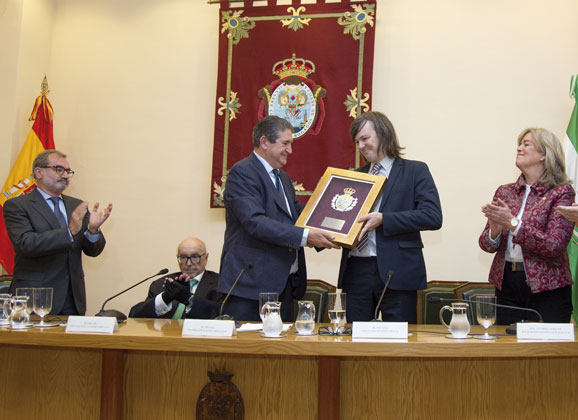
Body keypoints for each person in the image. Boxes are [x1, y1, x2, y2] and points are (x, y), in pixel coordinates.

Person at [219, 115, 338, 321]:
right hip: (251, 287)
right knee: (250, 350)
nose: (290, 150)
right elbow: (255, 222)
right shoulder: (242, 172)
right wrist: (307, 236)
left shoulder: (282, 177)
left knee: (283, 349)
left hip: (285, 285)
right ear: (264, 142)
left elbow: (300, 219)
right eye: (285, 143)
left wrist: (339, 231)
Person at [337, 111, 442, 323]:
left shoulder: (415, 171)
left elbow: (432, 216)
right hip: (356, 272)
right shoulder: (354, 177)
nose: (361, 146)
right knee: (356, 345)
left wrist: (385, 219)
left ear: (384, 134)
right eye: (357, 141)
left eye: (365, 138)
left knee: (401, 345)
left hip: (398, 272)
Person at [479, 128, 575, 324]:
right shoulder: (505, 192)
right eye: (519, 144)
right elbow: (486, 245)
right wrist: (495, 231)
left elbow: (554, 245)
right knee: (507, 351)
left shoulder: (561, 193)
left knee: (546, 352)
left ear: (544, 154)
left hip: (548, 288)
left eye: (526, 144)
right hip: (507, 286)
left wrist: (512, 223)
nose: (519, 148)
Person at [3, 150, 112, 315]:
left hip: (72, 299)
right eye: (59, 169)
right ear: (38, 172)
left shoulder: (76, 205)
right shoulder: (17, 205)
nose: (65, 175)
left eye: (68, 171)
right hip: (35, 298)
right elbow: (26, 243)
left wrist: (92, 230)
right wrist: (69, 232)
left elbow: (93, 251)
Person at [129, 237, 220, 319]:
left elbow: (224, 315)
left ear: (206, 257)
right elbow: (135, 316)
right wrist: (165, 298)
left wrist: (189, 300)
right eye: (183, 257)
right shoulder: (161, 283)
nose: (188, 263)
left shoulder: (220, 284)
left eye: (195, 257)